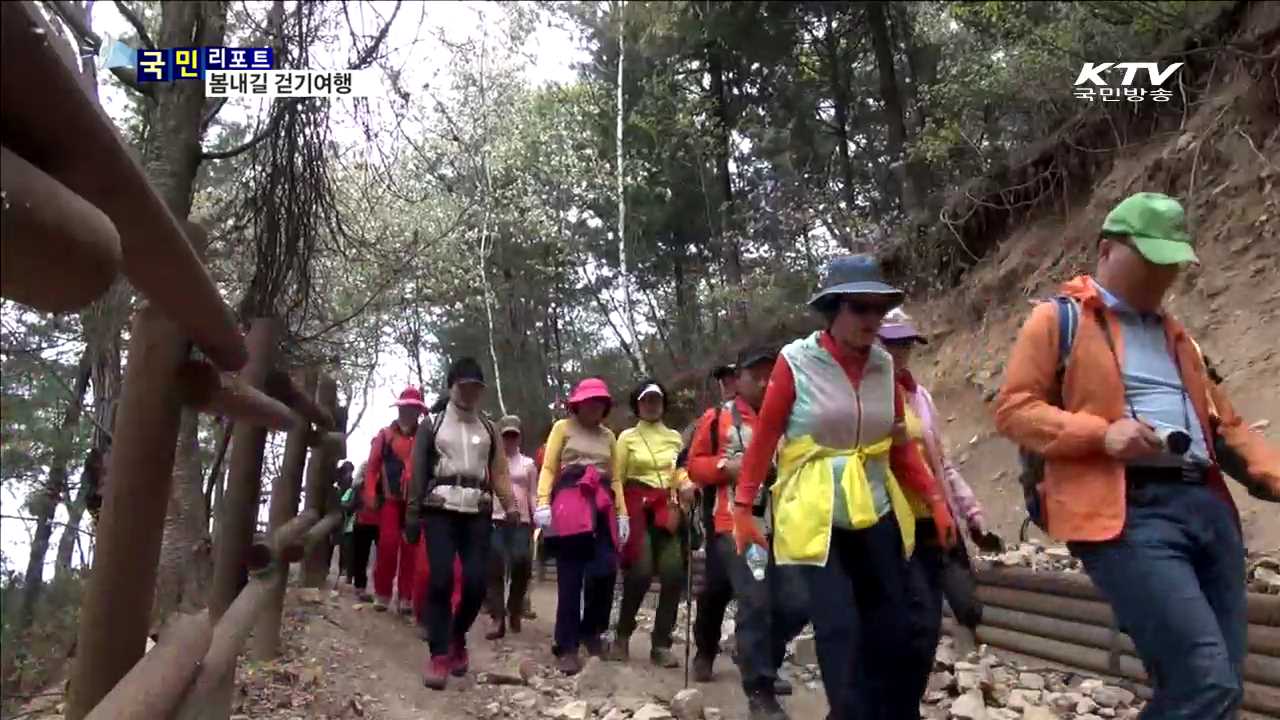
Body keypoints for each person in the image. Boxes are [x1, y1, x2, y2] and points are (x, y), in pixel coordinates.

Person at [995, 192, 1280, 720]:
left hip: (1207, 507)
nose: (1161, 275)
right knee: (1205, 680)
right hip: (1126, 512)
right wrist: (1102, 435)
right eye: (1149, 259)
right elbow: (1014, 410)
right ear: (1106, 251)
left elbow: (1226, 427)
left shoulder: (1182, 341)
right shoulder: (1060, 321)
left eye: (1170, 263)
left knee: (1220, 686)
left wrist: (1272, 477)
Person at [733, 254, 956, 720]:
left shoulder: (883, 368)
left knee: (895, 623)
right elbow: (766, 437)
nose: (872, 320)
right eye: (860, 308)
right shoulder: (797, 362)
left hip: (873, 507)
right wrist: (742, 508)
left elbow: (898, 445)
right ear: (833, 310)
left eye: (879, 309)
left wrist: (936, 500)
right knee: (839, 626)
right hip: (815, 512)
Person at [689, 347, 810, 720]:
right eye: (754, 374)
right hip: (736, 525)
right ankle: (759, 688)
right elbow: (694, 466)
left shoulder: (795, 417)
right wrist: (728, 467)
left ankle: (761, 660)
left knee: (797, 602)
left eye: (770, 374)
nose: (763, 381)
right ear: (737, 378)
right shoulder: (717, 419)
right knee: (754, 599)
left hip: (786, 524)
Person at [879, 311, 992, 708]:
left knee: (965, 605)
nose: (900, 352)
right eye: (892, 343)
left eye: (906, 344)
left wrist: (971, 511)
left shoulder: (920, 396)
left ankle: (925, 690)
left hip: (936, 516)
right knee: (916, 619)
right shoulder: (867, 397)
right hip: (895, 524)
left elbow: (940, 462)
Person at [405, 357, 520, 690]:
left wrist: (510, 504)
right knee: (440, 579)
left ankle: (456, 637)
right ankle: (439, 653)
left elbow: (498, 470)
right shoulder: (433, 425)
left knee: (475, 584)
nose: (470, 393)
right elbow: (418, 472)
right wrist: (413, 514)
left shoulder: (488, 428)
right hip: (439, 508)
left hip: (477, 510)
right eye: (464, 386)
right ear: (451, 386)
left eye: (476, 388)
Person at [534, 378, 625, 676]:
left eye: (600, 402)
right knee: (571, 574)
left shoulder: (609, 436)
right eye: (589, 402)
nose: (594, 407)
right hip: (570, 499)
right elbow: (549, 467)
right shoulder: (562, 428)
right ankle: (567, 644)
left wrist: (622, 513)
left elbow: (614, 478)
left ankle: (591, 630)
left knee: (606, 568)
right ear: (578, 404)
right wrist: (543, 502)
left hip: (600, 501)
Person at [608, 380, 693, 668]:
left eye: (656, 400)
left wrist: (686, 486)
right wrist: (619, 511)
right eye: (646, 400)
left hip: (667, 505)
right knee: (641, 570)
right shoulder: (627, 437)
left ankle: (661, 643)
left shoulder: (674, 438)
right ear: (637, 404)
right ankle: (622, 634)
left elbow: (680, 470)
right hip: (636, 505)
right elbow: (617, 477)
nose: (652, 405)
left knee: (673, 572)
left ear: (663, 403)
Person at [365, 386, 428, 612]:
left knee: (411, 549)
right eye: (406, 408)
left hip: (414, 502)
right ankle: (382, 592)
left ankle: (406, 596)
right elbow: (372, 468)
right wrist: (371, 493)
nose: (409, 412)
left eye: (414, 408)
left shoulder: (424, 436)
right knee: (388, 546)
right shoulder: (385, 435)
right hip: (391, 500)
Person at [485, 414, 537, 640]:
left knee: (521, 564)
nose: (510, 440)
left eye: (514, 435)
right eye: (505, 435)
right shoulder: (491, 462)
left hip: (522, 521)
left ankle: (515, 607)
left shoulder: (528, 464)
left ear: (519, 437)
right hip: (495, 517)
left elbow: (533, 493)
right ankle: (498, 617)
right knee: (494, 565)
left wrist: (540, 516)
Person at [348, 461, 378, 601]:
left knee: (382, 556)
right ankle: (360, 587)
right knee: (360, 555)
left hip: (381, 520)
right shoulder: (365, 466)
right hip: (363, 518)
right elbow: (355, 485)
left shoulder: (391, 467)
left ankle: (380, 589)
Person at [333, 461, 355, 582]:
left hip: (347, 520)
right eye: (347, 472)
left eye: (350, 472)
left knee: (346, 548)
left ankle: (345, 573)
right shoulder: (337, 485)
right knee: (331, 545)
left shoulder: (352, 486)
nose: (349, 474)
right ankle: (326, 570)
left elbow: (351, 502)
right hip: (336, 518)